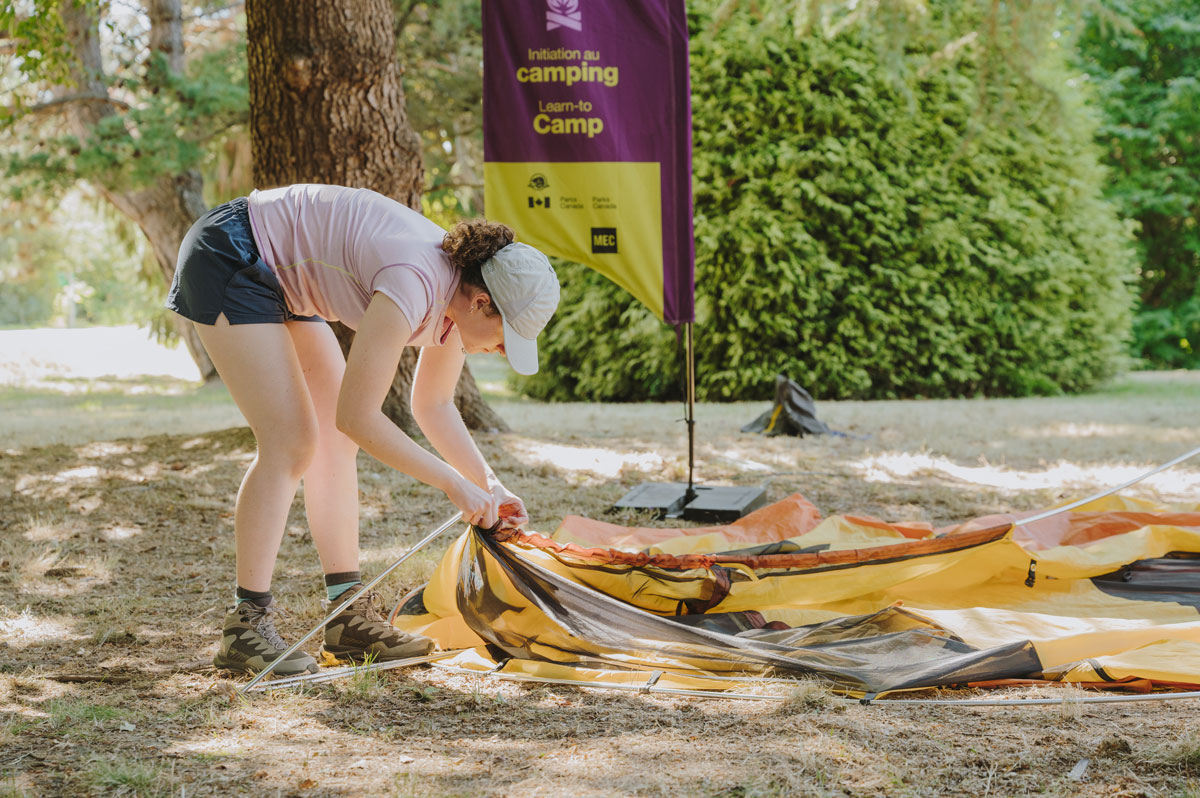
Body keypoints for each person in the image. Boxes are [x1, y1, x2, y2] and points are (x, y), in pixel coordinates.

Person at [166, 184, 560, 676]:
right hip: (234, 251)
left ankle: (346, 617)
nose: (503, 352)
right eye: (507, 339)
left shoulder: (459, 300)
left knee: (335, 445)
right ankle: (245, 628)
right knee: (291, 443)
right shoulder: (415, 280)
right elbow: (359, 413)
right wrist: (451, 484)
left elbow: (433, 404)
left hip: (286, 277)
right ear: (481, 301)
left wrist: (487, 483)